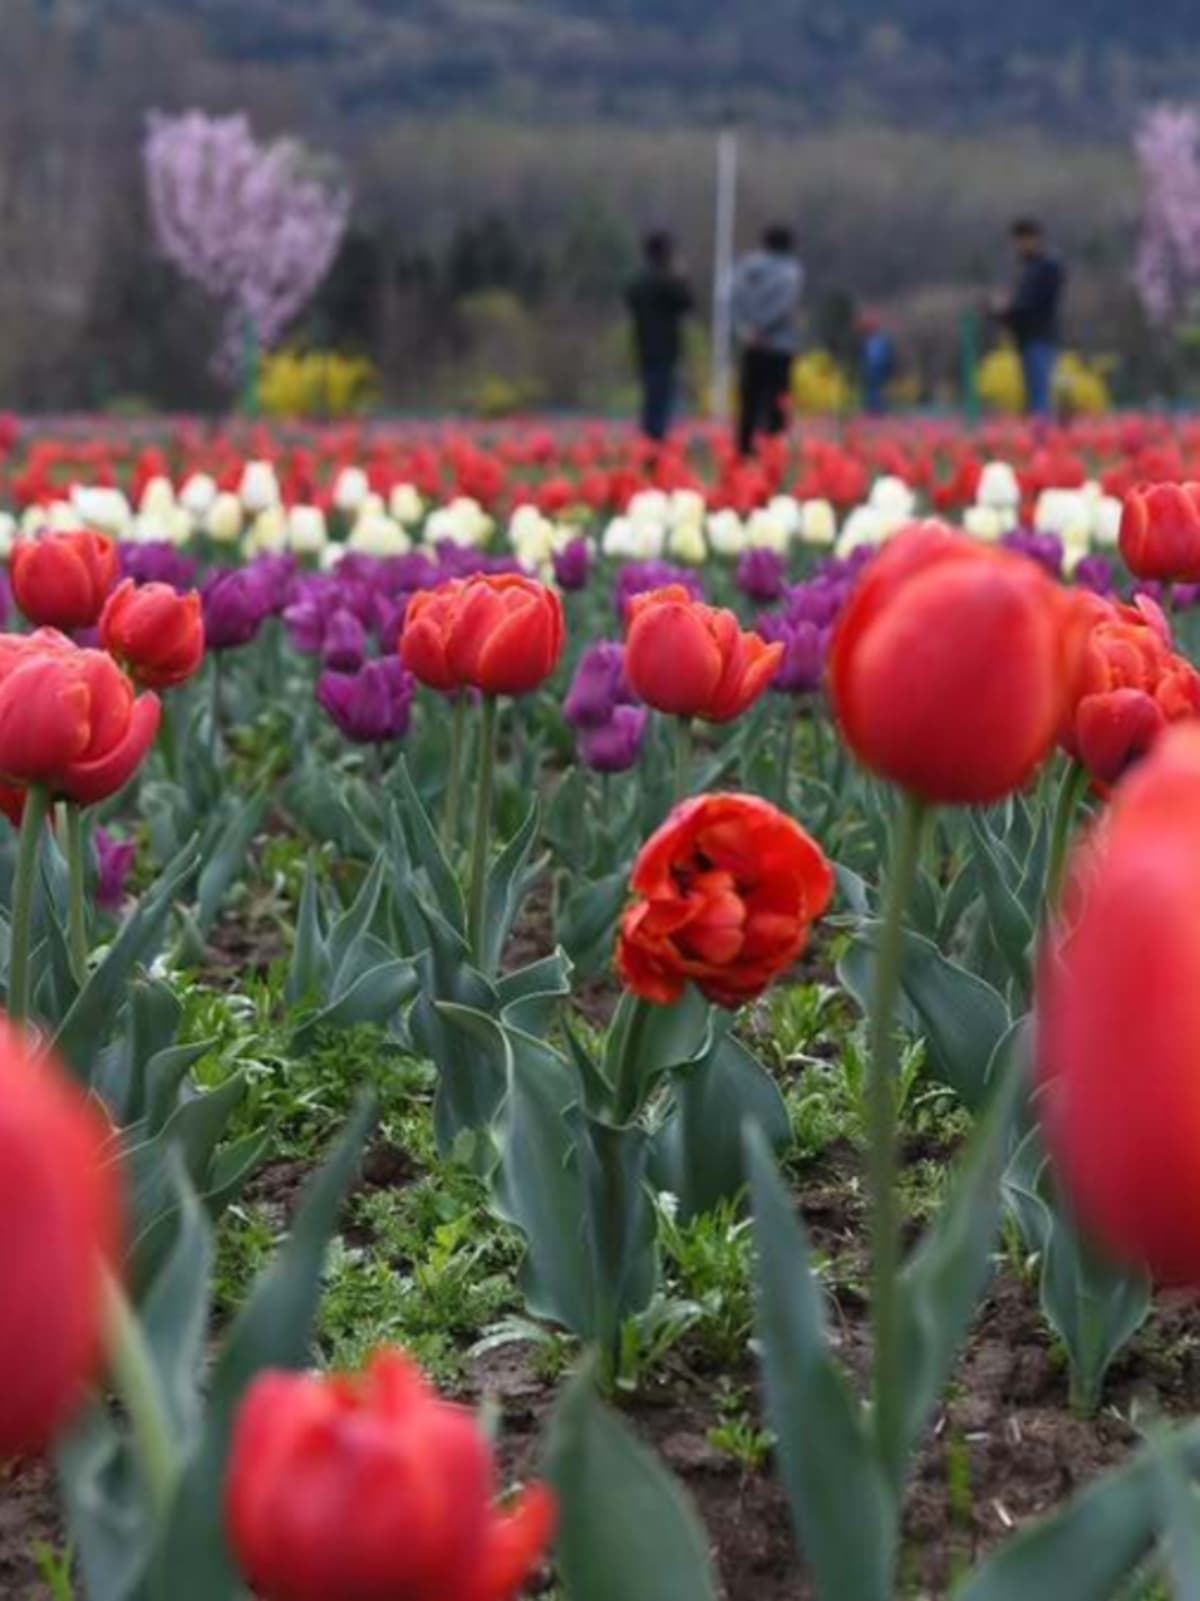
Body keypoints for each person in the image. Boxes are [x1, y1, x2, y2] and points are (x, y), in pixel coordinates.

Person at [730, 224, 804, 456]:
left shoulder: (746, 268)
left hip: (752, 344)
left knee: (750, 397)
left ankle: (744, 447)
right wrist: (764, 328)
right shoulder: (790, 271)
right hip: (779, 345)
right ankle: (773, 448)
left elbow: (733, 298)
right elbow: (784, 306)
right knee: (777, 398)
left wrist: (746, 329)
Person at [625, 231, 694, 443]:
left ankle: (649, 441)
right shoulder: (666, 282)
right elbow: (686, 303)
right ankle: (655, 442)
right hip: (665, 346)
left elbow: (630, 301)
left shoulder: (638, 282)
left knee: (651, 396)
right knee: (660, 397)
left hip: (644, 344)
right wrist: (681, 278)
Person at [994, 218, 1065, 419]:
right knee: (1034, 394)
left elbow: (1033, 303)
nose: (1018, 246)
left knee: (1040, 394)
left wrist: (1007, 310)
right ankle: (1039, 439)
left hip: (1040, 336)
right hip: (1026, 338)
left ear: (1033, 238)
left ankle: (1043, 439)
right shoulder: (1026, 267)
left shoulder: (1047, 267)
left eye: (1021, 240)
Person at [858, 310, 896, 415]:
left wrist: (888, 370)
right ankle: (871, 410)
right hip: (871, 370)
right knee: (870, 392)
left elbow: (888, 356)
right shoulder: (868, 340)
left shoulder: (881, 340)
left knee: (877, 392)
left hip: (878, 369)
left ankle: (877, 411)